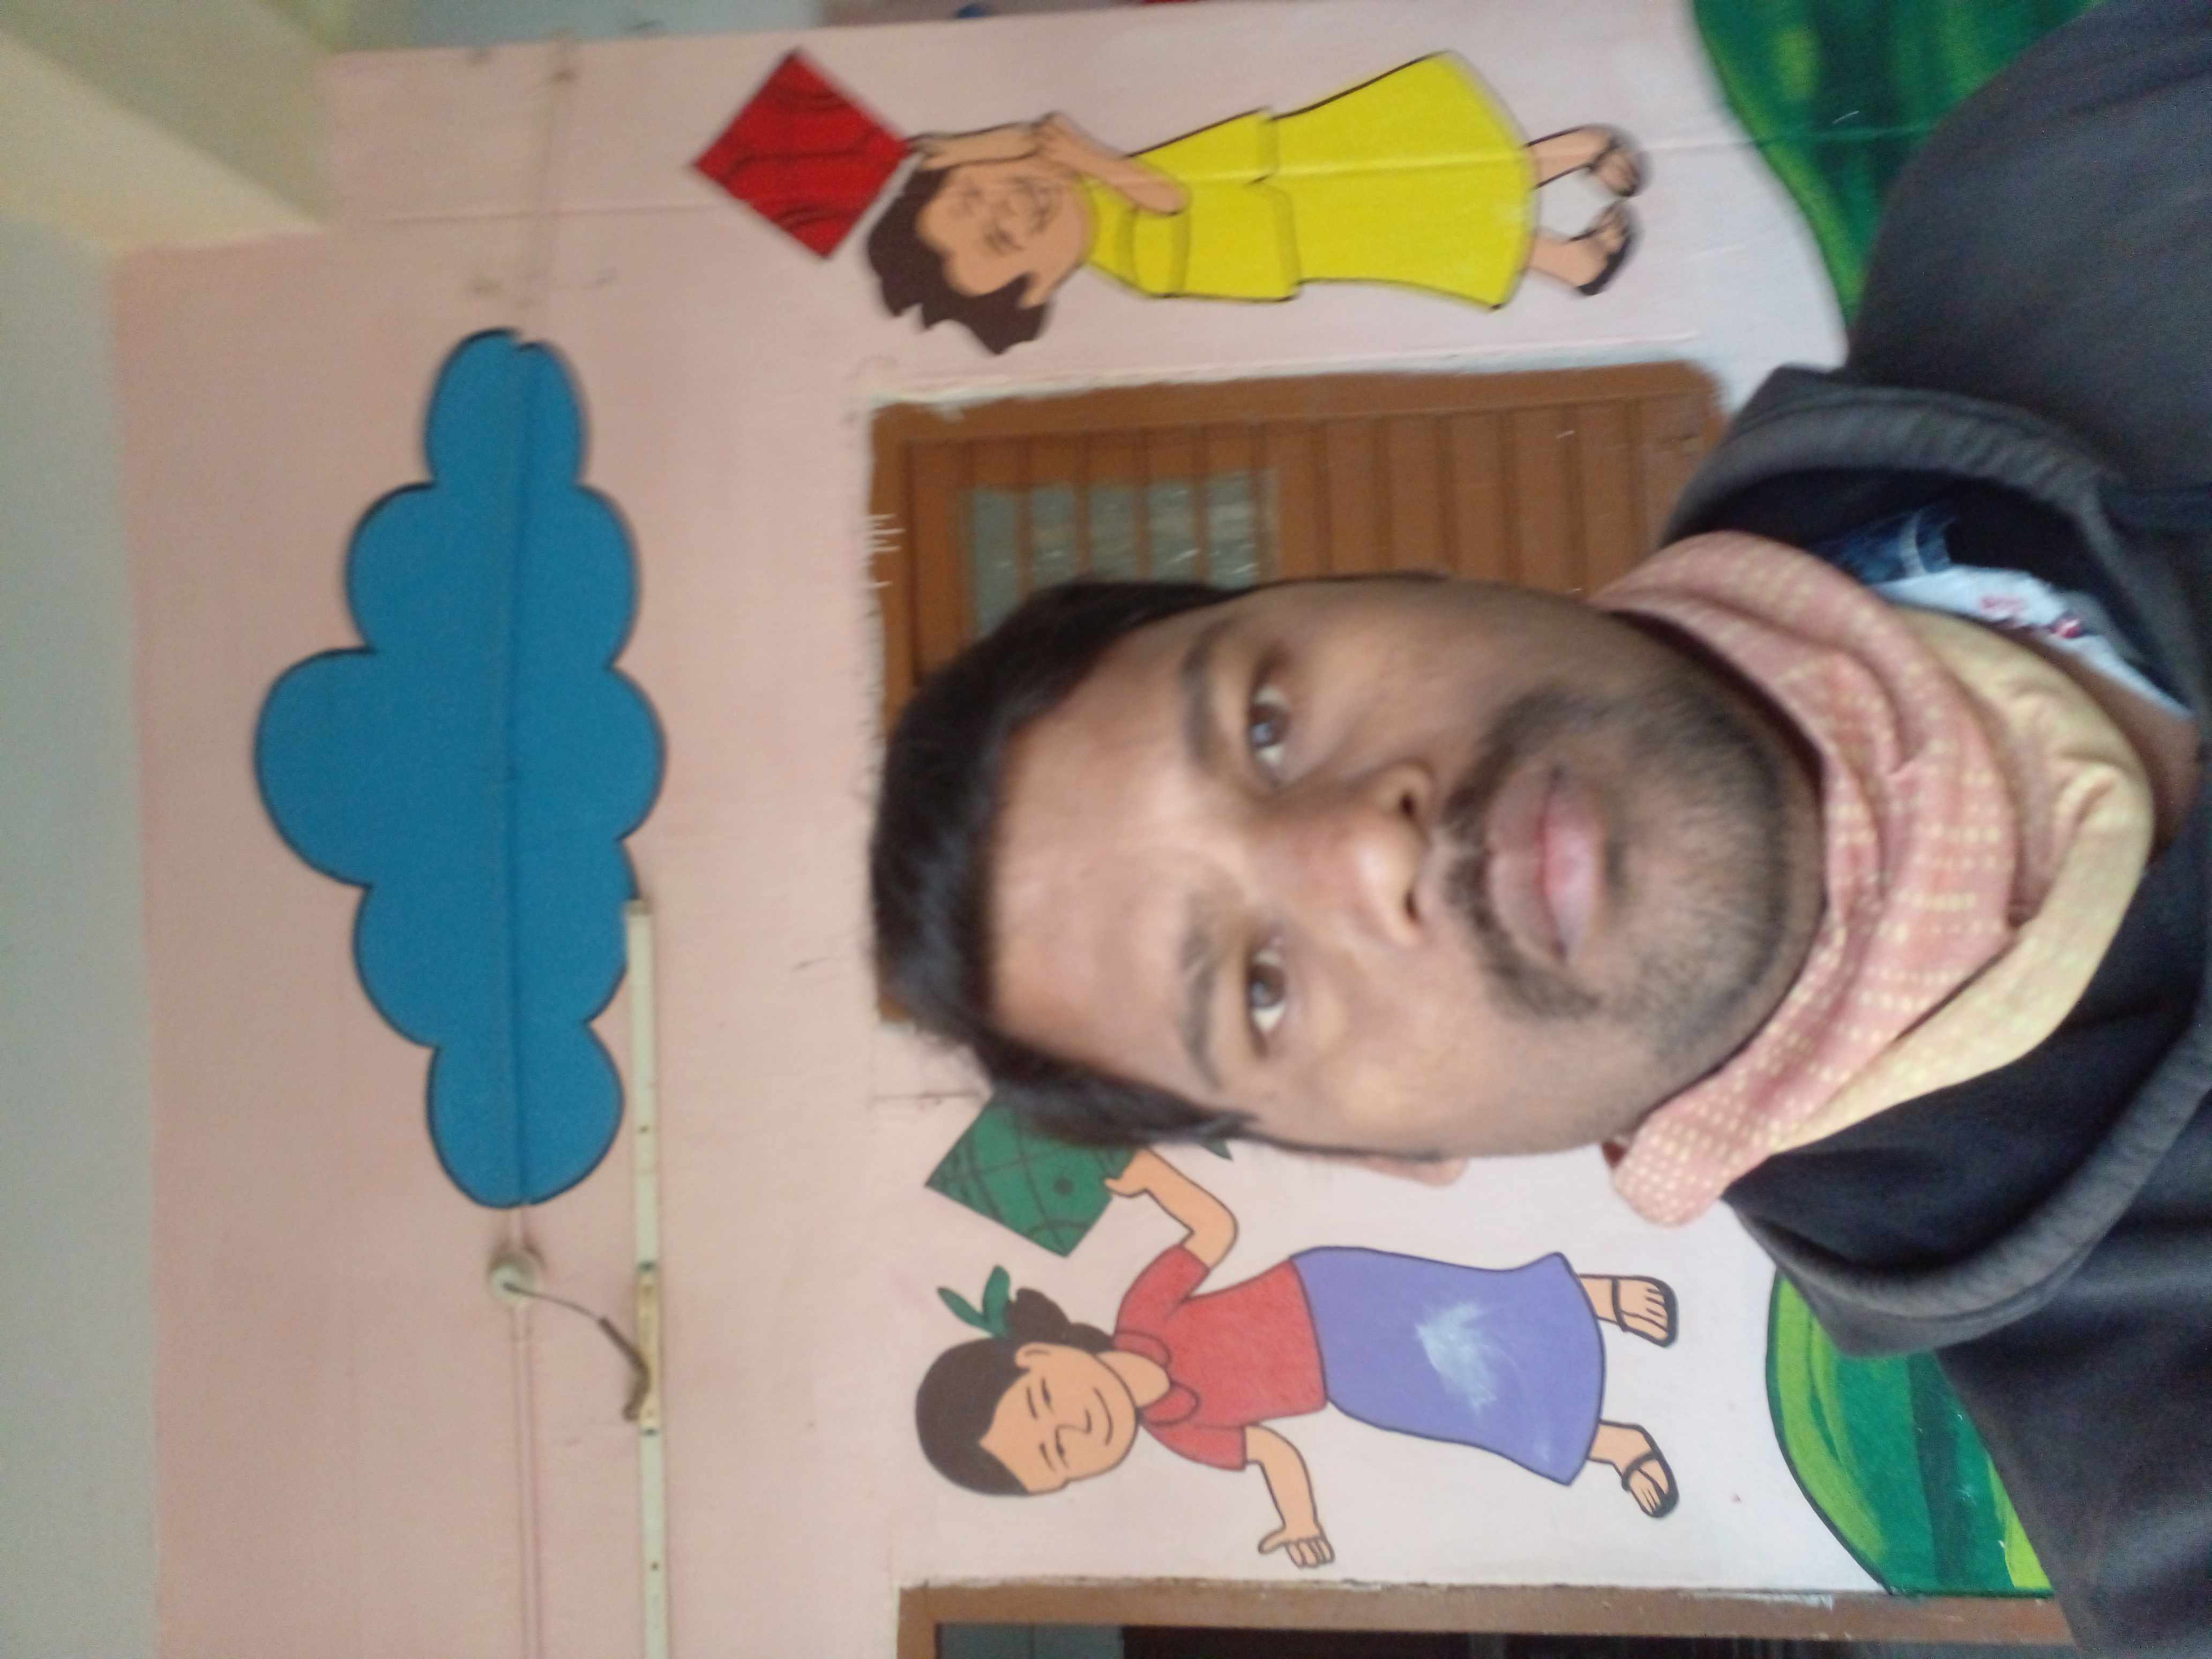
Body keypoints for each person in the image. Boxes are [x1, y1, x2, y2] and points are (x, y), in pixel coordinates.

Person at [870, 3, 2212, 1650]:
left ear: (1404, 577)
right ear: (1394, 1156)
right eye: (1261, 990)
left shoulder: (2061, 190)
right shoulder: (2164, 1482)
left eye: (1267, 722)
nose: (1365, 852)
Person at [916, 1147, 1682, 1567]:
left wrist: (1157, 1179)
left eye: (1045, 1404)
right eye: (1058, 1455)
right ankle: (1617, 1445)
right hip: (1352, 1382)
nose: (1074, 1429)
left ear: (1041, 1354)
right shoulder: (1179, 1434)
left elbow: (1212, 1233)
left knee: (1466, 1311)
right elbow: (1272, 1452)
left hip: (1333, 1293)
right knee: (1469, 1409)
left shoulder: (1141, 1315)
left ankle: (1599, 1297)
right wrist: (1300, 1522)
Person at [866, 54, 1640, 355]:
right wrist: (1089, 157)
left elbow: (1031, 140)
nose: (1010, 205)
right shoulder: (1126, 254)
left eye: (979, 192)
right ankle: (1567, 245)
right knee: (1431, 217)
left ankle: (1575, 161)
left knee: (1425, 162)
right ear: (1035, 289)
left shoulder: (1068, 182)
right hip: (1298, 224)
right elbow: (1168, 199)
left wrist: (958, 149)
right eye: (1001, 239)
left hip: (1287, 171)